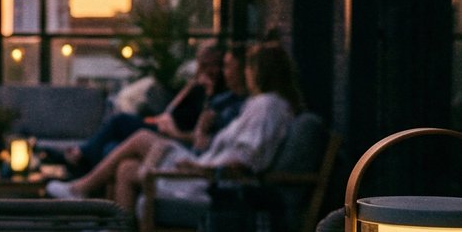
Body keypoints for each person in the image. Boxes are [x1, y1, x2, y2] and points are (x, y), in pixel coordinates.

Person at [46, 43, 303, 214]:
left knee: (139, 136)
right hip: (203, 169)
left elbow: (245, 161)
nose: (245, 73)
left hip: (207, 182)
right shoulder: (262, 105)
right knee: (126, 168)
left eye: (248, 68)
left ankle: (81, 189)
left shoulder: (267, 107)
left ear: (260, 72)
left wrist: (199, 168)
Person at [67, 43, 235, 172]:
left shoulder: (219, 100)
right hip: (164, 126)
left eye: (208, 65)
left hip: (172, 137)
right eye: (201, 64)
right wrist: (191, 86)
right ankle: (90, 189)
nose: (204, 70)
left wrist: (173, 131)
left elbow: (202, 137)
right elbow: (172, 109)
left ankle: (80, 156)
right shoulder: (199, 89)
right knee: (110, 148)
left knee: (120, 121)